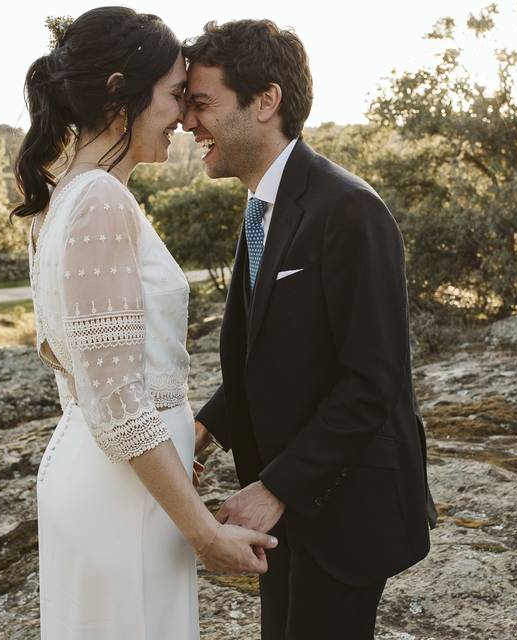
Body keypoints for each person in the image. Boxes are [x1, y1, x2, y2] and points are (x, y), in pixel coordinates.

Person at [11, 8, 277, 639]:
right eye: (174, 94)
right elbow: (117, 402)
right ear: (118, 91)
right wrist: (204, 532)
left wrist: (175, 448)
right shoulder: (99, 201)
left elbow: (77, 379)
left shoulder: (65, 198)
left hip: (117, 476)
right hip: (120, 495)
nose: (185, 118)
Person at [183, 19, 440, 640]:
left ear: (265, 101)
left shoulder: (348, 209)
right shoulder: (261, 205)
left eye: (202, 103)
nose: (189, 123)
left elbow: (373, 382)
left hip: (347, 509)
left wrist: (274, 489)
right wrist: (199, 434)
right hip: (294, 514)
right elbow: (270, 359)